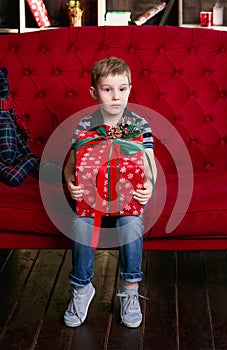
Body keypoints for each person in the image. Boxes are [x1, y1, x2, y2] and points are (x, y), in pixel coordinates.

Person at [63, 56, 157, 328]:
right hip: (92, 197)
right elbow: (72, 165)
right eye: (107, 89)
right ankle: (81, 289)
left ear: (130, 88)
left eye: (122, 88)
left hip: (127, 197)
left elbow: (149, 163)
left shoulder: (140, 125)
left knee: (130, 224)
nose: (116, 96)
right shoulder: (84, 125)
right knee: (81, 224)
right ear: (94, 92)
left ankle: (130, 291)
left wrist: (149, 186)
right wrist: (71, 181)